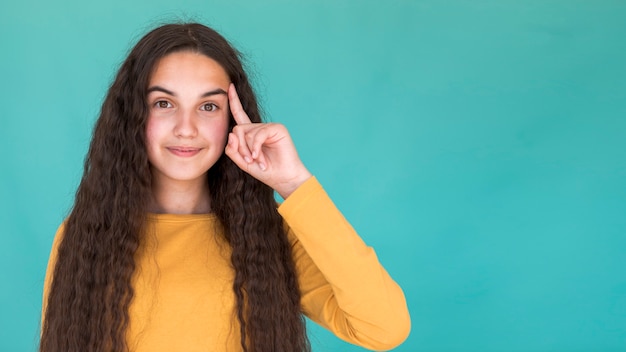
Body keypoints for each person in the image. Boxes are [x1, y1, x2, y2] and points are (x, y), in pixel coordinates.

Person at [40, 23, 410, 352]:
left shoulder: (271, 239)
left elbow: (384, 329)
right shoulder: (85, 235)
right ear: (133, 117)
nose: (186, 128)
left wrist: (295, 184)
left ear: (234, 119)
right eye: (164, 103)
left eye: (209, 107)